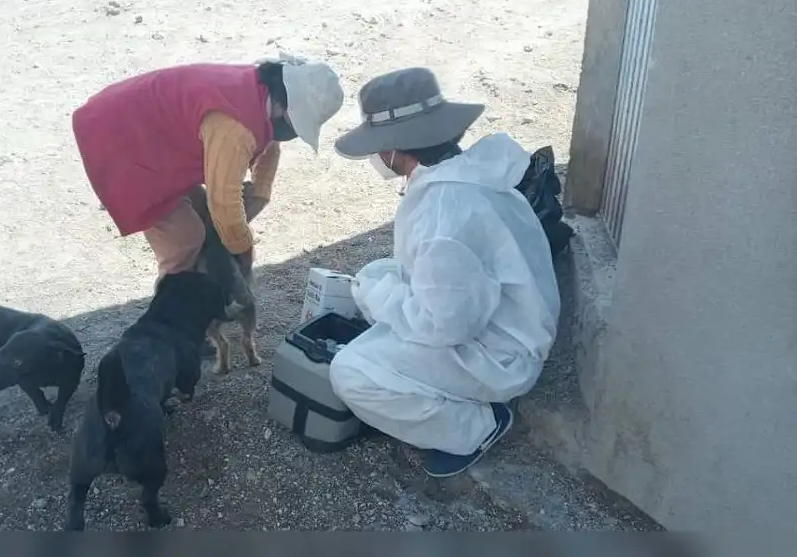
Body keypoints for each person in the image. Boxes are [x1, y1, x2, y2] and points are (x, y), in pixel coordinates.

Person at [328, 67, 561, 478]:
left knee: (350, 372)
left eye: (379, 146)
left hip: (499, 356)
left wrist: (375, 297)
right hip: (508, 320)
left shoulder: (443, 214)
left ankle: (475, 427)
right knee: (379, 273)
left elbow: (444, 327)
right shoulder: (475, 174)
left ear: (394, 149)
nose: (378, 157)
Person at [71, 55, 344, 282]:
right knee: (185, 239)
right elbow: (224, 205)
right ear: (286, 107)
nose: (292, 132)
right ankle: (173, 324)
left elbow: (269, 140)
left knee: (204, 219)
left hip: (152, 133)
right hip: (121, 141)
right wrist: (243, 250)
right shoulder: (234, 128)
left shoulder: (262, 92)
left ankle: (197, 292)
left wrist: (260, 192)